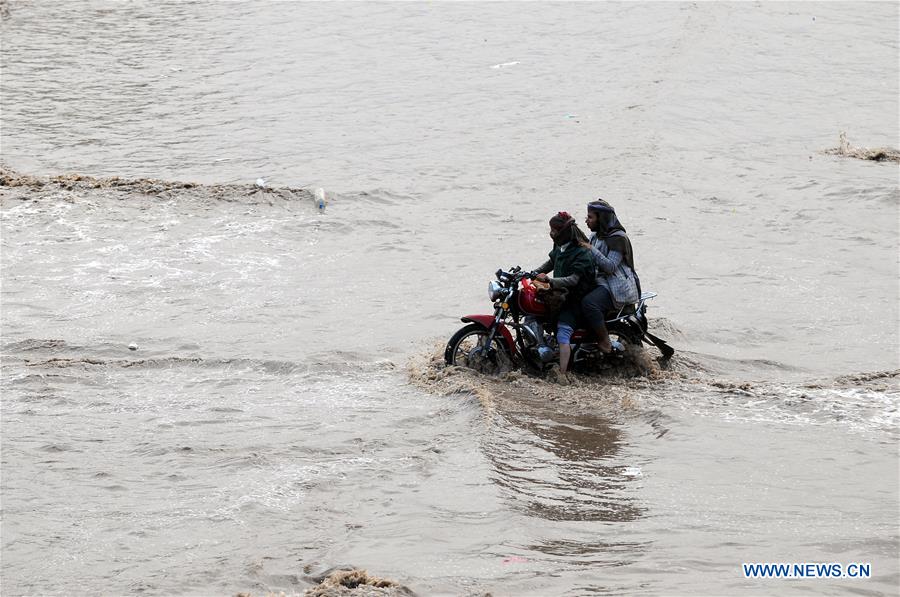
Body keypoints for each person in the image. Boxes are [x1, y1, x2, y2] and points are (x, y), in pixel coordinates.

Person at [532, 211, 595, 379]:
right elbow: (552, 262)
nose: (551, 233)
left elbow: (574, 280)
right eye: (550, 229)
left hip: (574, 299)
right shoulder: (559, 246)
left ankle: (562, 374)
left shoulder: (582, 252)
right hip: (559, 295)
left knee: (563, 333)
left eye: (554, 230)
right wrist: (532, 273)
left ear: (564, 232)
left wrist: (550, 281)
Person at [580, 199, 640, 354]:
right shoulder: (595, 235)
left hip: (616, 285)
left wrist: (591, 249)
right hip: (599, 281)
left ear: (601, 218)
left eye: (590, 217)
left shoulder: (617, 238)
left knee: (589, 303)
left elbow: (610, 267)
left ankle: (604, 340)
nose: (587, 220)